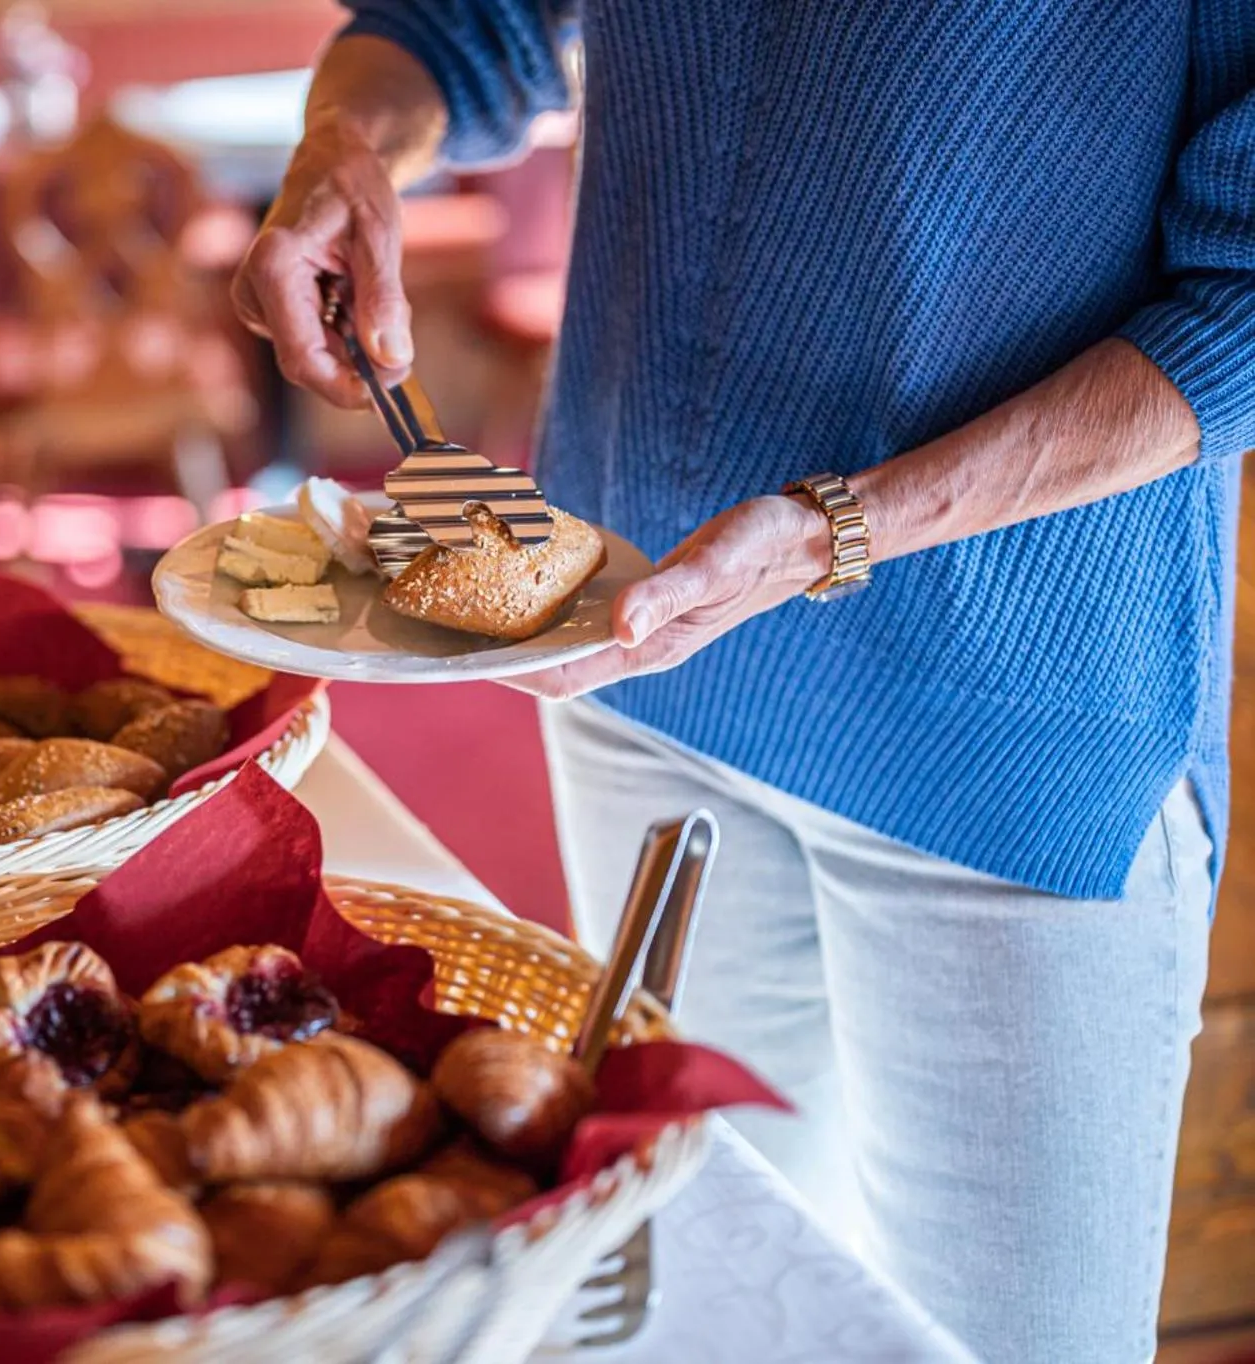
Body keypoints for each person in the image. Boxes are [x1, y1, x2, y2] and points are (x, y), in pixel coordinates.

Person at [231, 4, 1253, 1361]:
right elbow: (463, 25)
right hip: (641, 661)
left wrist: (846, 524)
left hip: (1007, 724)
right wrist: (344, 142)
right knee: (707, 1315)